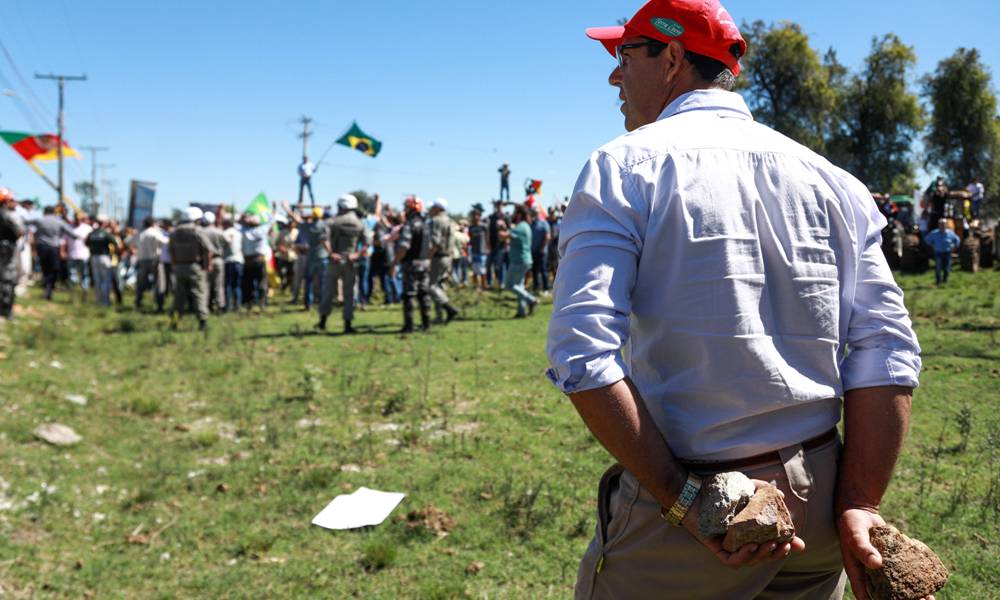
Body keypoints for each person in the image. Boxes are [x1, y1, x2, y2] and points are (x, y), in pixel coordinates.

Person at [547, 2, 923, 599]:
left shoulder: (625, 167)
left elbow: (581, 352)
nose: (614, 76)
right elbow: (887, 347)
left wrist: (680, 500)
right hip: (820, 501)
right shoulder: (831, 179)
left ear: (672, 57)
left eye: (624, 55)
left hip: (700, 504)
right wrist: (858, 501)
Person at [317, 194, 366, 333]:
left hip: (335, 260)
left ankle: (322, 322)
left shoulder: (332, 221)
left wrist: (331, 253)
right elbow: (367, 242)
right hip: (351, 261)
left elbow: (323, 238)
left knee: (328, 291)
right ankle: (348, 324)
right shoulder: (359, 223)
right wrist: (356, 254)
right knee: (349, 293)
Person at [169, 206, 211, 330]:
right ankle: (202, 322)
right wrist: (207, 266)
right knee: (199, 293)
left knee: (179, 296)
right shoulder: (197, 231)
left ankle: (175, 321)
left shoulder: (175, 232)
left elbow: (171, 251)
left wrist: (175, 264)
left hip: (179, 266)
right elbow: (207, 249)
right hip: (194, 266)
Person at [394, 196, 432, 333]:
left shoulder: (409, 225)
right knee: (424, 294)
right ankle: (426, 324)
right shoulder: (426, 224)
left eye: (406, 208)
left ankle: (409, 326)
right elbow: (431, 245)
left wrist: (395, 262)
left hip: (411, 263)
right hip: (425, 263)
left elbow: (404, 246)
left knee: (409, 294)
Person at [28, 206, 77, 300]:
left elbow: (27, 222)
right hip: (54, 248)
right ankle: (49, 288)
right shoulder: (58, 221)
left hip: (42, 247)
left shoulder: (40, 220)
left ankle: (47, 288)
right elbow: (71, 233)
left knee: (45, 268)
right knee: (54, 269)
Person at [498, 203, 537, 318]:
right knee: (519, 286)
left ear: (519, 214)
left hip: (518, 261)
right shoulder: (525, 226)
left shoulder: (520, 226)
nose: (513, 215)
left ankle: (531, 300)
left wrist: (500, 228)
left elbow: (503, 236)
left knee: (509, 285)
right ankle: (521, 312)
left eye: (515, 212)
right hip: (524, 260)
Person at [427, 198, 460, 324]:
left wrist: (427, 258)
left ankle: (449, 308)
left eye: (433, 207)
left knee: (431, 286)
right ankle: (440, 316)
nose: (430, 210)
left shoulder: (436, 221)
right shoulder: (451, 221)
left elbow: (435, 242)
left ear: (438, 208)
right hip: (448, 256)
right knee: (440, 286)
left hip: (438, 256)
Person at [132, 216, 168, 310]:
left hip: (142, 259)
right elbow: (166, 241)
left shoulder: (141, 233)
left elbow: (130, 242)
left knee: (141, 282)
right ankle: (159, 304)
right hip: (154, 259)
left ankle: (138, 301)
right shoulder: (155, 232)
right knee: (159, 283)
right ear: (153, 223)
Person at [0, 189, 24, 320]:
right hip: (7, 250)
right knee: (8, 279)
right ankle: (6, 310)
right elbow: (19, 231)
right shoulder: (8, 215)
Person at [240, 213, 271, 310]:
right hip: (259, 260)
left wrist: (244, 218)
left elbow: (238, 223)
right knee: (262, 282)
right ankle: (262, 302)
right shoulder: (263, 229)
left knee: (248, 282)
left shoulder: (243, 231)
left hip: (248, 260)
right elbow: (271, 220)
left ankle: (249, 302)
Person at [85, 215, 117, 306]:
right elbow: (114, 242)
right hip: (104, 257)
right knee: (106, 280)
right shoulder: (105, 233)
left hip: (93, 257)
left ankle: (98, 300)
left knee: (97, 279)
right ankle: (105, 302)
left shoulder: (91, 233)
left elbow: (86, 243)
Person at [201, 212, 228, 313]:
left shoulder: (201, 232)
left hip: (204, 260)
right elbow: (227, 242)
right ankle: (220, 305)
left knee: (206, 284)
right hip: (218, 259)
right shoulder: (218, 232)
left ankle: (206, 305)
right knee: (219, 284)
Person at [923, 219, 961, 285]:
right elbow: (927, 239)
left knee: (947, 267)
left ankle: (945, 280)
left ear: (946, 225)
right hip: (938, 253)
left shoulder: (950, 233)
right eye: (941, 224)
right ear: (938, 225)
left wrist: (955, 247)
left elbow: (957, 240)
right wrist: (932, 245)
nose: (942, 226)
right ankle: (938, 281)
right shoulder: (934, 233)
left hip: (947, 252)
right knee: (938, 267)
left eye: (943, 224)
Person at [221, 216, 244, 311]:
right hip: (239, 260)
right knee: (237, 285)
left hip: (228, 261)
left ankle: (228, 306)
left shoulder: (224, 233)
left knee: (228, 284)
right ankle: (237, 305)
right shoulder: (239, 233)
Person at [486, 200, 509, 288]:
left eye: (500, 206)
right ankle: (489, 282)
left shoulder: (506, 217)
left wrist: (504, 226)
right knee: (489, 265)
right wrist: (488, 244)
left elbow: (509, 231)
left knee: (500, 265)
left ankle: (501, 282)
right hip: (492, 244)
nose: (499, 207)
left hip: (502, 245)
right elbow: (488, 231)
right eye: (497, 206)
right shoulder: (491, 217)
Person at [66, 213, 92, 290]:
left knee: (85, 274)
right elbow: (64, 241)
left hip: (84, 255)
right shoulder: (69, 228)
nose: (77, 220)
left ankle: (85, 290)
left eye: (79, 219)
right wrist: (63, 251)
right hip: (72, 254)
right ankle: (73, 290)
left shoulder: (88, 228)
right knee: (72, 273)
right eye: (76, 218)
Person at [529, 206, 551, 295]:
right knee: (534, 270)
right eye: (533, 213)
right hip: (533, 251)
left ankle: (546, 288)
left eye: (535, 213)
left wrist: (542, 248)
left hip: (542, 252)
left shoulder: (544, 223)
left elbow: (547, 236)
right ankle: (536, 287)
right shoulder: (532, 224)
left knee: (543, 270)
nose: (534, 214)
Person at [467, 206, 489, 291]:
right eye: (473, 215)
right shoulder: (471, 227)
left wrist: (488, 248)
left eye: (477, 215)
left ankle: (484, 286)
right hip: (474, 251)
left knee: (482, 270)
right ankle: (476, 286)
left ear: (480, 216)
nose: (475, 217)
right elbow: (470, 239)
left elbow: (487, 237)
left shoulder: (484, 226)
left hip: (482, 251)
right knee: (475, 270)